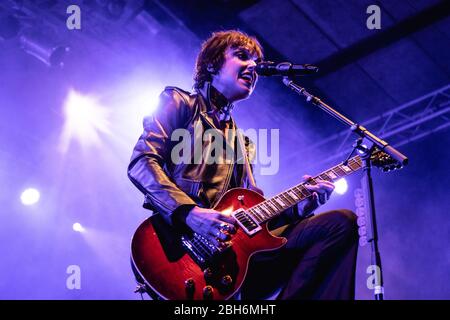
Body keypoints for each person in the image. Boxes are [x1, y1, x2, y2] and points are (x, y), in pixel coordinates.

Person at [127, 30, 358, 300]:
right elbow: (142, 162)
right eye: (242, 56)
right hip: (183, 250)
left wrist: (298, 210)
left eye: (256, 62)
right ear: (212, 65)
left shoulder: (241, 144)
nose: (253, 67)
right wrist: (189, 213)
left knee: (339, 225)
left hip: (234, 257)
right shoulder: (179, 103)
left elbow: (254, 216)